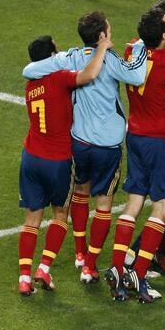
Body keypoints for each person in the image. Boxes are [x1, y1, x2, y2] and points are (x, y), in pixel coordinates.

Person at [22, 11, 149, 283]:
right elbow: (137, 77)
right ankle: (90, 265)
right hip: (108, 144)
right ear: (103, 35)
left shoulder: (70, 58)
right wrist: (140, 48)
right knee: (103, 204)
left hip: (78, 141)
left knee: (80, 192)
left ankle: (80, 252)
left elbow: (29, 71)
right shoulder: (111, 59)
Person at [106, 8, 165, 303]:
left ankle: (118, 269)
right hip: (160, 141)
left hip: (135, 137)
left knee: (133, 205)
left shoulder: (133, 49)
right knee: (163, 207)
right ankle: (139, 272)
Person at [18, 32, 112, 296]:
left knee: (31, 219)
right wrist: (102, 48)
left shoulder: (30, 85)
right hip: (57, 160)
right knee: (60, 214)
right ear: (50, 57)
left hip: (30, 158)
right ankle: (44, 269)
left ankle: (24, 277)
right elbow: (89, 75)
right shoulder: (59, 79)